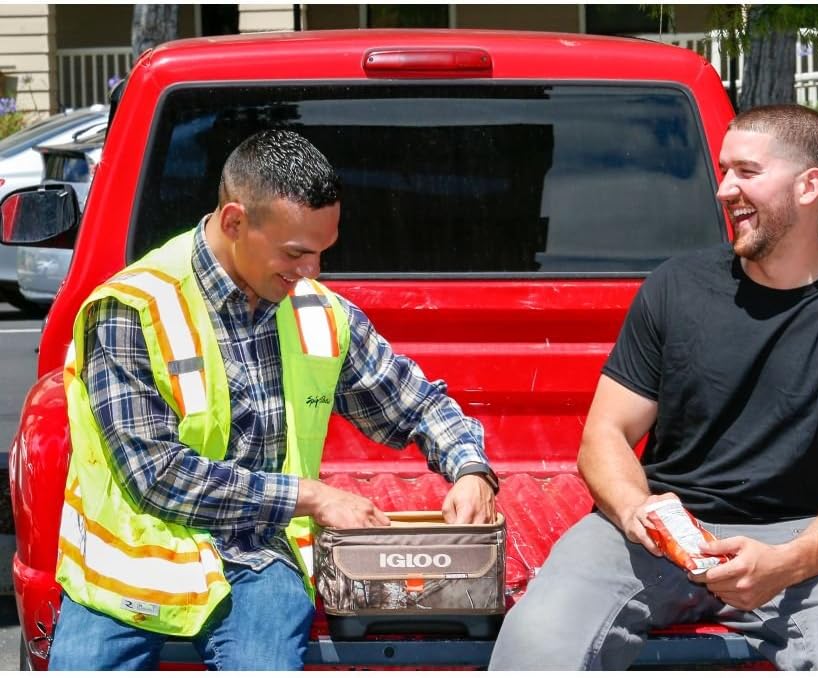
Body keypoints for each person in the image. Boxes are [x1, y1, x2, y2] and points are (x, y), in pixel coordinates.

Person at [488, 104, 818, 671]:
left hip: (803, 542)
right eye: (723, 171)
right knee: (538, 641)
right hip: (657, 529)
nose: (724, 189)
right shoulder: (675, 287)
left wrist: (786, 562)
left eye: (747, 172)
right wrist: (636, 511)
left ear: (808, 185)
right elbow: (605, 434)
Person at [48, 129, 499, 670]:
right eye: (297, 253)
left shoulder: (318, 311)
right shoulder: (133, 306)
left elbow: (416, 403)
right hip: (129, 575)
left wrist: (471, 468)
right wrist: (309, 496)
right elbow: (157, 476)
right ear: (235, 221)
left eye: (321, 253)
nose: (312, 271)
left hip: (260, 565)